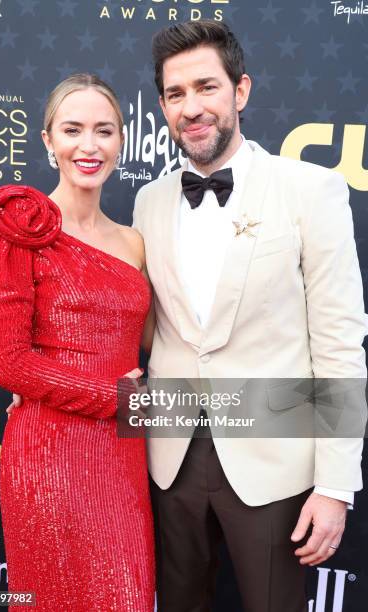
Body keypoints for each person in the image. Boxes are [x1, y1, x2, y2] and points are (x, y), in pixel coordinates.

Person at [132, 21, 367, 612]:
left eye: (207, 87)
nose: (192, 108)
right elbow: (143, 327)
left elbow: (339, 343)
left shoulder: (312, 190)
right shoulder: (148, 201)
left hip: (274, 463)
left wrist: (336, 487)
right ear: (162, 106)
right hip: (167, 456)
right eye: (176, 94)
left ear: (241, 91)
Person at [0, 74, 155, 611]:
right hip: (49, 455)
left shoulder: (134, 241)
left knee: (128, 596)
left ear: (122, 140)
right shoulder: (19, 229)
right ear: (48, 140)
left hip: (123, 454)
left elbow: (154, 342)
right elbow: (8, 364)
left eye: (104, 131)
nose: (88, 146)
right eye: (72, 130)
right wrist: (116, 398)